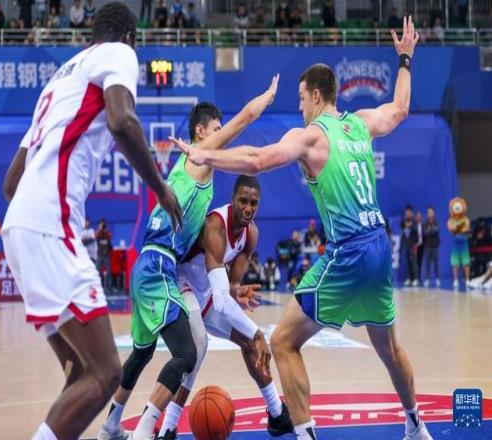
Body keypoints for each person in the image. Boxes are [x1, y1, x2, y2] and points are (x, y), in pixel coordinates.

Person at [172, 16, 432, 440]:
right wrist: (405, 60)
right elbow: (400, 108)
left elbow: (256, 160)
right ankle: (416, 427)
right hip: (379, 247)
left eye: (300, 99)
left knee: (282, 342)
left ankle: (306, 435)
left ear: (315, 95)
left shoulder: (313, 136)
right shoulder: (359, 123)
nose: (299, 108)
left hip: (348, 253)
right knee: (389, 348)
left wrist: (206, 155)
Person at [0, 3, 182, 440]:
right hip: (49, 221)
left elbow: (10, 183)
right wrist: (160, 187)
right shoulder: (119, 53)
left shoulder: (59, 81)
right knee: (104, 373)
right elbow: (121, 120)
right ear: (130, 37)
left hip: (17, 228)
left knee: (80, 372)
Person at [98, 79, 279, 440]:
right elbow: (243, 120)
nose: (220, 134)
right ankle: (146, 431)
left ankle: (110, 427)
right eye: (215, 128)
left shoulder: (195, 166)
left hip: (150, 264)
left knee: (141, 354)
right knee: (188, 352)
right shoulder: (199, 157)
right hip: (158, 265)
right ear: (201, 132)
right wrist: (267, 97)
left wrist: (233, 288)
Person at [156, 175, 292, 439]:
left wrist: (236, 291)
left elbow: (228, 287)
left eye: (254, 203)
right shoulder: (215, 226)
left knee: (250, 344)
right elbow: (221, 300)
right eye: (243, 201)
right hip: (181, 284)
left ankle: (277, 415)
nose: (248, 208)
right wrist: (257, 332)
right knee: (198, 346)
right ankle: (167, 429)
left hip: (206, 291)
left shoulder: (251, 234)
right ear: (233, 199)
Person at [401, 205, 419, 287]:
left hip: (413, 246)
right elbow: (402, 232)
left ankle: (416, 279)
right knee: (407, 263)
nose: (408, 214)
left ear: (412, 213)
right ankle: (409, 279)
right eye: (406, 213)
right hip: (406, 245)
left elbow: (416, 234)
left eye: (409, 213)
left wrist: (410, 226)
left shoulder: (414, 223)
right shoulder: (403, 223)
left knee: (414, 262)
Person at [423, 207, 440, 288]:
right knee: (427, 264)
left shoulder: (437, 223)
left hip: (435, 246)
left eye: (431, 212)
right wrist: (431, 230)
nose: (430, 214)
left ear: (434, 213)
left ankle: (437, 279)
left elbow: (436, 231)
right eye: (429, 212)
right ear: (427, 214)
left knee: (436, 263)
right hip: (427, 246)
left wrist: (430, 230)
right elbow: (426, 233)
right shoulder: (425, 224)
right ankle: (427, 279)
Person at [96, 218, 113, 287]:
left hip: (106, 255)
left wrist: (105, 231)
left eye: (104, 224)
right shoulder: (98, 232)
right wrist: (100, 229)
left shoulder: (107, 232)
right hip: (99, 255)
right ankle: (99, 286)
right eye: (101, 224)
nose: (103, 226)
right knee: (98, 272)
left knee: (108, 272)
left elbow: (110, 237)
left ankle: (109, 287)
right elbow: (96, 236)